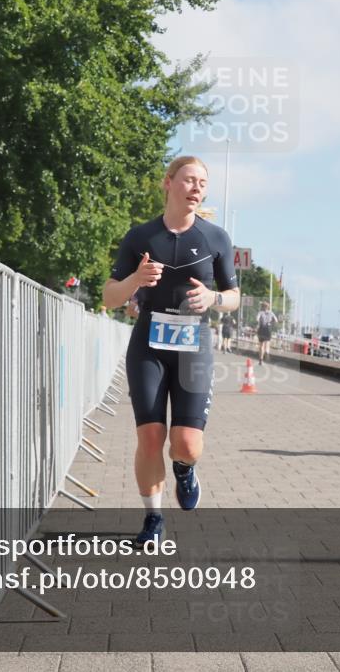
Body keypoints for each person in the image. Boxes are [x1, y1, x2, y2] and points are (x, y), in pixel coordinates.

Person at [102, 156, 240, 546]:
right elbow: (109, 297)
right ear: (168, 183)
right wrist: (134, 280)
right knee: (149, 436)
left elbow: (233, 297)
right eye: (189, 180)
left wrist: (213, 297)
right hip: (148, 345)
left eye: (203, 182)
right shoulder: (140, 237)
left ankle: (184, 469)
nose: (196, 188)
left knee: (186, 443)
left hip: (193, 346)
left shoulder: (216, 238)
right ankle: (153, 518)